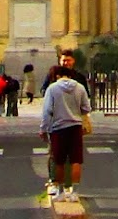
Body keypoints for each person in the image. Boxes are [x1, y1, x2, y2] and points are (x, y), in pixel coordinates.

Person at [40, 64, 91, 203]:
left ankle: (61, 191)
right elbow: (87, 108)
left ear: (57, 76)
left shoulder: (52, 89)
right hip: (75, 127)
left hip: (58, 128)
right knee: (76, 160)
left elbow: (47, 111)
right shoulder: (80, 88)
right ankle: (74, 192)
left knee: (59, 161)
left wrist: (43, 129)